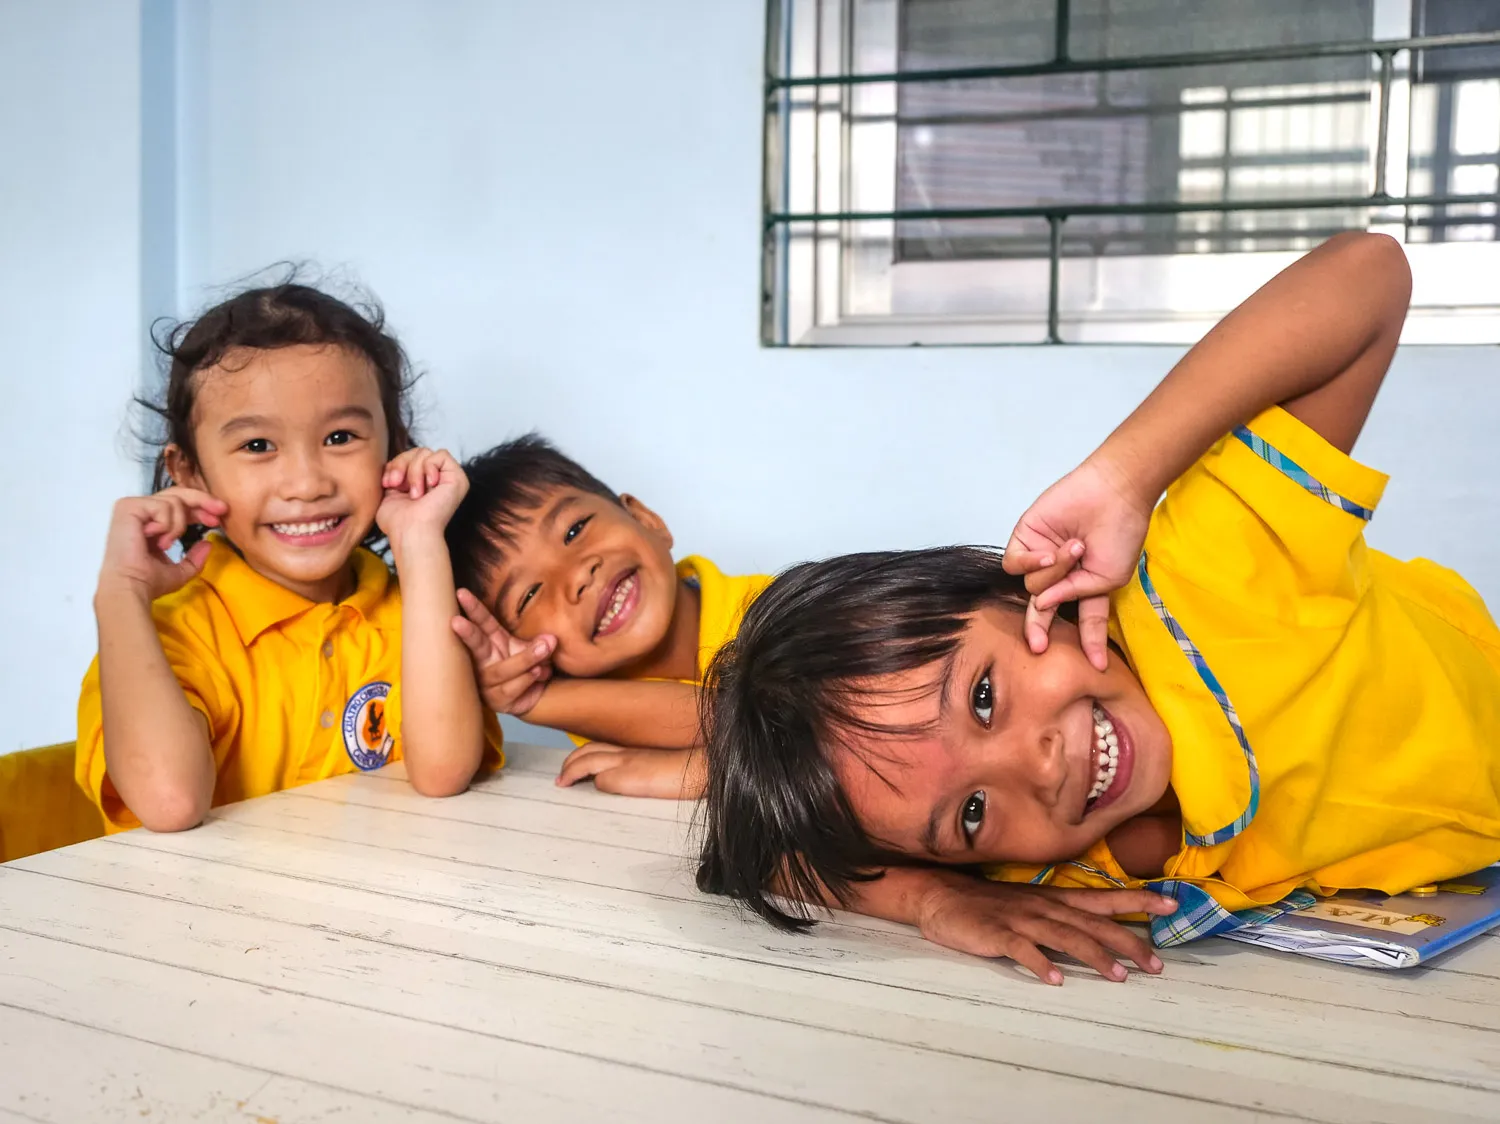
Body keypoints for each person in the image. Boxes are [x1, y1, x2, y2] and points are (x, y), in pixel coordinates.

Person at [698, 232, 1500, 984]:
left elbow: (1369, 273)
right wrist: (934, 900)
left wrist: (1126, 476)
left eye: (984, 697)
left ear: (1017, 590)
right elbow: (758, 858)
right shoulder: (1042, 864)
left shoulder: (1208, 569)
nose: (1038, 766)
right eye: (971, 813)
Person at [77, 281, 501, 833]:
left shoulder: (415, 613)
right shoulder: (160, 637)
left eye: (341, 436)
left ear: (393, 447)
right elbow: (169, 802)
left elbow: (443, 771)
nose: (305, 484)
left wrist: (419, 540)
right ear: (188, 472)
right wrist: (121, 594)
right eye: (258, 446)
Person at [444, 435, 768, 797]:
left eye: (574, 529)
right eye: (530, 595)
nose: (577, 576)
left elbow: (792, 724)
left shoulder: (779, 607)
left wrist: (702, 773)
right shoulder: (598, 711)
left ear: (646, 519)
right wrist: (531, 700)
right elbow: (714, 718)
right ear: (523, 650)